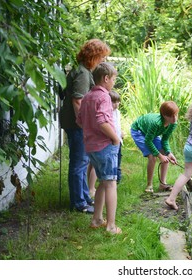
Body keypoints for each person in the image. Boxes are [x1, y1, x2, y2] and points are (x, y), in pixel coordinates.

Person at [59, 39, 111, 214]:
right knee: (79, 163)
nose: (103, 61)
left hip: (75, 124)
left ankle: (84, 197)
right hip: (76, 125)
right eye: (102, 57)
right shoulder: (82, 73)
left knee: (82, 161)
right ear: (94, 56)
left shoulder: (84, 71)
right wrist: (84, 125)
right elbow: (77, 101)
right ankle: (79, 203)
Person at [76, 62, 121, 234]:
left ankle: (96, 219)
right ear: (106, 78)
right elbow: (102, 121)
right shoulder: (104, 97)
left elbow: (79, 120)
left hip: (91, 147)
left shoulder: (87, 96)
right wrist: (115, 138)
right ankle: (110, 226)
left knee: (103, 181)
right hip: (104, 146)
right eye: (113, 79)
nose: (114, 83)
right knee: (110, 183)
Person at [131, 101, 179, 193]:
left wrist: (169, 153)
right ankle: (149, 185)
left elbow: (165, 140)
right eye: (171, 116)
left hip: (152, 133)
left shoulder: (173, 123)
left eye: (176, 115)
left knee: (164, 153)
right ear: (164, 115)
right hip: (139, 131)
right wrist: (159, 156)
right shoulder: (156, 123)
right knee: (152, 156)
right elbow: (148, 141)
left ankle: (162, 184)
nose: (175, 118)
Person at [87, 90, 123, 196]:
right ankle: (91, 187)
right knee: (95, 165)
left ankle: (98, 186)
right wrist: (115, 138)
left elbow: (116, 125)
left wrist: (119, 135)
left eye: (118, 102)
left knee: (108, 166)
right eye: (113, 102)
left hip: (116, 140)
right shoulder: (106, 111)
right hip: (106, 142)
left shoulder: (117, 112)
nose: (116, 104)